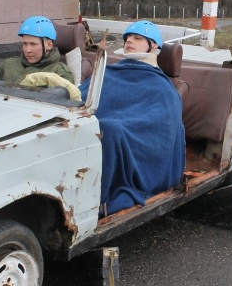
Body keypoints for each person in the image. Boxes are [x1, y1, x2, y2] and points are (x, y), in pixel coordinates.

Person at [79, 20, 186, 216]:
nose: (129, 41)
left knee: (108, 129)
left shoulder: (163, 87)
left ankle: (94, 199)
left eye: (137, 38)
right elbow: (80, 96)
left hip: (131, 138)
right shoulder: (109, 72)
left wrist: (119, 126)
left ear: (154, 47)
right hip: (102, 126)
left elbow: (163, 126)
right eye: (127, 38)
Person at [0, 15, 73, 85]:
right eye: (25, 44)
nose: (27, 50)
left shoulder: (60, 73)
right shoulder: (7, 65)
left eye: (33, 44)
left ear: (49, 45)